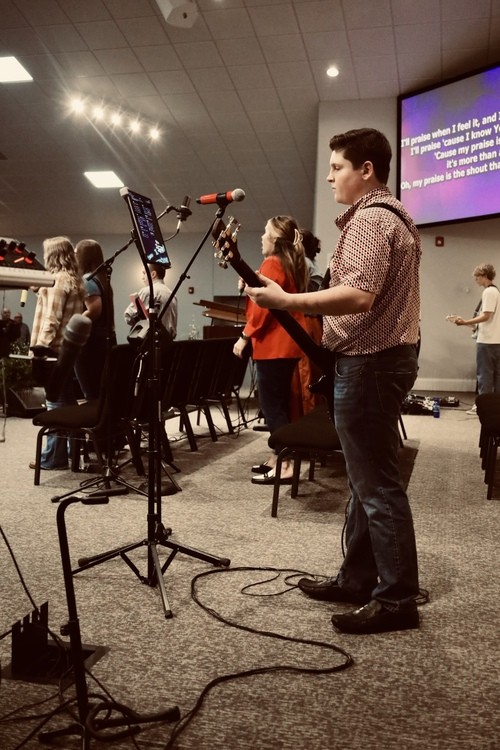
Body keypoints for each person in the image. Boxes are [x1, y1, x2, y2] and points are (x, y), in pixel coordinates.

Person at [245, 128, 422, 635]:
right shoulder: (394, 215)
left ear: (366, 170)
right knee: (368, 480)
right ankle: (358, 578)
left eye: (337, 167)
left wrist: (286, 301)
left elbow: (358, 296)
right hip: (381, 360)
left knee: (377, 484)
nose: (329, 177)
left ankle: (397, 599)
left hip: (370, 363)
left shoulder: (371, 218)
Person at [233, 215, 308, 484]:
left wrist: (244, 336)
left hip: (274, 346)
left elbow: (263, 308)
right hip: (285, 345)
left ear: (275, 240)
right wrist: (249, 285)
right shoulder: (286, 263)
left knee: (272, 407)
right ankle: (277, 458)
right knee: (279, 405)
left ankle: (285, 464)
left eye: (265, 232)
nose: (261, 237)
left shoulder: (272, 262)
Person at [29, 236, 85, 470]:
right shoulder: (73, 280)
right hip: (67, 351)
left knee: (55, 405)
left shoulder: (57, 281)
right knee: (67, 402)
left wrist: (40, 348)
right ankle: (72, 454)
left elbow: (52, 318)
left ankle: (53, 458)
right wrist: (39, 290)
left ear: (53, 255)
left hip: (52, 351)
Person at [447, 264, 500, 415]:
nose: (476, 280)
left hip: (487, 342)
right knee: (497, 376)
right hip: (496, 341)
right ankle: (495, 408)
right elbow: (489, 321)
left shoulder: (488, 292)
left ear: (484, 276)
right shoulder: (496, 292)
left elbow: (486, 316)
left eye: (477, 277)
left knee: (484, 375)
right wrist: (467, 324)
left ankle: (482, 407)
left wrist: (464, 322)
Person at [289, 229, 325, 419]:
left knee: (304, 375)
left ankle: (305, 420)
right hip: (313, 323)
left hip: (306, 322)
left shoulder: (303, 263)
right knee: (311, 372)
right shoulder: (311, 263)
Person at [74, 239, 116, 400]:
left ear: (84, 256)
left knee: (91, 393)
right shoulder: (102, 279)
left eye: (76, 253)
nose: (74, 257)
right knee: (102, 392)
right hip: (104, 340)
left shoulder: (87, 279)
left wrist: (74, 324)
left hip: (90, 344)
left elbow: (94, 310)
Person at [124, 262, 177, 341]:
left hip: (150, 342)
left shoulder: (147, 291)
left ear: (153, 274)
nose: (142, 278)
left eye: (144, 273)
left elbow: (128, 317)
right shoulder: (172, 294)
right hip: (168, 343)